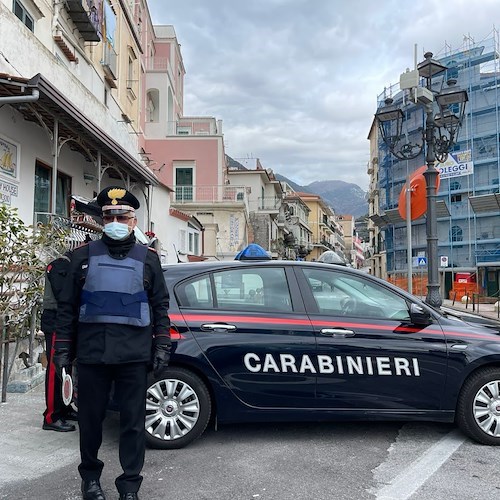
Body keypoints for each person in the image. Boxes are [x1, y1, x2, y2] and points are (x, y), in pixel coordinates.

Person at [53, 186, 171, 500]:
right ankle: (90, 480)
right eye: (109, 216)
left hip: (134, 356)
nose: (115, 219)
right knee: (91, 422)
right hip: (93, 355)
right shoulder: (80, 257)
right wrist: (62, 349)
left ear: (134, 221)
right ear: (102, 220)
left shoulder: (149, 259)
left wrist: (161, 346)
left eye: (122, 215)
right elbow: (67, 307)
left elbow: (160, 305)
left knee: (133, 423)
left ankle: (129, 485)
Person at [41, 252, 78, 432]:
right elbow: (64, 295)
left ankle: (65, 407)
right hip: (56, 321)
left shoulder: (68, 263)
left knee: (66, 369)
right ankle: (51, 416)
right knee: (56, 369)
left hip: (64, 321)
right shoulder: (61, 265)